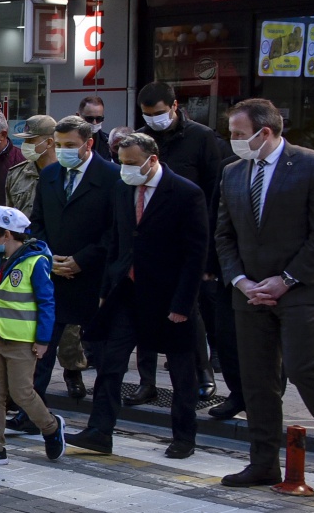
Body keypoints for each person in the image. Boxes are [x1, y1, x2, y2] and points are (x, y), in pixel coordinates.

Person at [213, 97, 314, 488]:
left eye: (239, 133)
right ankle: (263, 462)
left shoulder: (313, 164)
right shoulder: (232, 172)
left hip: (300, 289)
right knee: (257, 378)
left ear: (265, 132)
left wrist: (287, 279)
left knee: (302, 367)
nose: (233, 140)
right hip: (250, 291)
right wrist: (240, 281)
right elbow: (224, 235)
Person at [66, 131, 208, 459]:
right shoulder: (122, 188)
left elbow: (195, 254)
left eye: (131, 163)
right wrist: (106, 290)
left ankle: (184, 436)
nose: (125, 169)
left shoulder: (185, 193)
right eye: (121, 162)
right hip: (127, 290)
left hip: (168, 294)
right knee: (111, 363)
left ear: (152, 160)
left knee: (181, 370)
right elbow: (117, 240)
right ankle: (100, 430)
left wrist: (183, 303)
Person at [133, 81, 227, 404]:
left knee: (190, 307)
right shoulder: (141, 138)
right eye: (147, 114)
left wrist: (209, 249)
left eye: (159, 112)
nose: (154, 119)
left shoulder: (201, 138)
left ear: (174, 106)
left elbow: (214, 192)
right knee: (145, 309)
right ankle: (146, 381)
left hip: (187, 236)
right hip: (148, 235)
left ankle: (203, 373)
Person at [0, 206, 66, 465]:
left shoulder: (36, 262)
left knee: (22, 393)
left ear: (7, 235)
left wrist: (43, 340)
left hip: (22, 341)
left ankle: (51, 427)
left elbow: (47, 303)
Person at [30, 115, 118, 402]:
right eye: (58, 144)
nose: (63, 150)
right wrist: (48, 256)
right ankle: (31, 411)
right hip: (54, 276)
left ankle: (103, 414)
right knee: (41, 352)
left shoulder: (112, 176)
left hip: (94, 278)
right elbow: (37, 222)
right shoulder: (49, 175)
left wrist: (82, 260)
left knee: (103, 353)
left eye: (70, 145)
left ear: (88, 144)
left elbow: (115, 230)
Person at [6, 115, 56, 216]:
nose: (25, 144)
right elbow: (9, 213)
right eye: (25, 140)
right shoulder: (15, 174)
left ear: (49, 142)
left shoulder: (65, 174)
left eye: (31, 140)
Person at [78, 96, 112, 160]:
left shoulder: (109, 143)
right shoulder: (66, 140)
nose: (94, 123)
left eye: (99, 119)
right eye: (89, 118)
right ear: (78, 116)